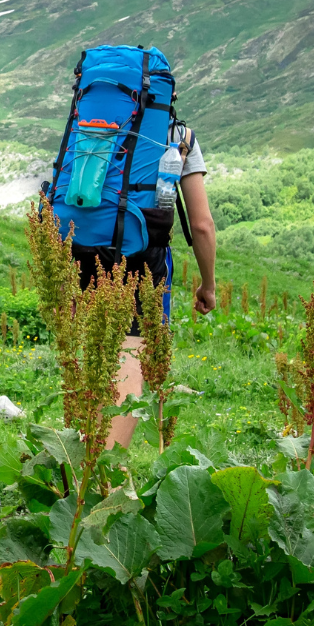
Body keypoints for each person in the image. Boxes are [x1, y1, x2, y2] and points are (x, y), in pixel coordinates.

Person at [93, 120, 218, 447]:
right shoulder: (179, 136)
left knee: (95, 364)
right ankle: (106, 480)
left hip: (85, 248)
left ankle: (80, 470)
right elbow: (201, 225)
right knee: (128, 367)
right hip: (143, 257)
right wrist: (209, 285)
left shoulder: (94, 119)